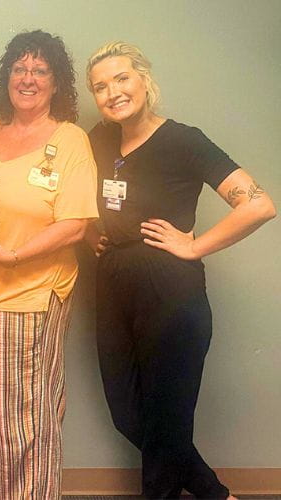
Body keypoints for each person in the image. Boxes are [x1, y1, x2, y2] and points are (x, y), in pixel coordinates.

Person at [85, 41, 276, 500]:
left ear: (144, 80)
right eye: (100, 86)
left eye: (121, 79)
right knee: (129, 415)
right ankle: (215, 494)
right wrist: (92, 233)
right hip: (112, 285)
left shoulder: (184, 140)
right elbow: (77, 195)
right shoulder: (98, 139)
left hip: (170, 291)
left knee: (167, 419)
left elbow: (259, 205)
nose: (112, 93)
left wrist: (195, 246)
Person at [0, 30, 98, 499]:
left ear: (56, 83)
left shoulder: (70, 140)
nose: (28, 78)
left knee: (26, 424)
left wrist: (14, 256)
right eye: (19, 68)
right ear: (7, 77)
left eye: (40, 70)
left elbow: (75, 224)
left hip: (30, 298)